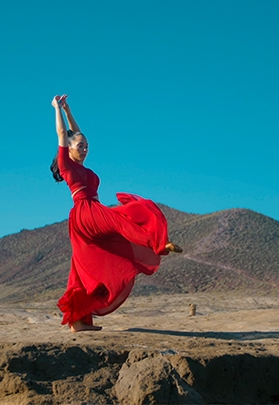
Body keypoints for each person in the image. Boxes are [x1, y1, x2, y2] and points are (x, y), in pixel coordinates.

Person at [50, 94, 182, 332]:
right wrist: (56, 108)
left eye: (87, 146)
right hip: (85, 211)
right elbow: (63, 134)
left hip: (89, 214)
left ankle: (78, 321)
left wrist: (69, 110)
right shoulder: (65, 163)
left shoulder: (81, 166)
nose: (85, 149)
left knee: (81, 270)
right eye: (80, 146)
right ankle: (158, 244)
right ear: (68, 149)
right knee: (123, 218)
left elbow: (75, 133)